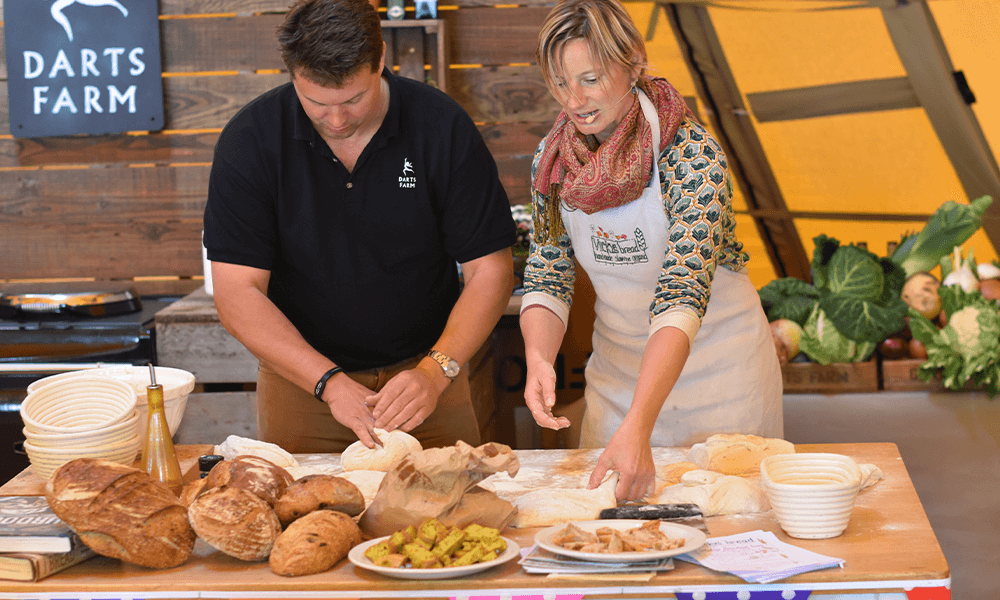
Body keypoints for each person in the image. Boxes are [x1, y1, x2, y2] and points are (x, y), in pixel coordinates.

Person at [203, 0, 515, 453]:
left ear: (380, 60)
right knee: (306, 517)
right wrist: (327, 382)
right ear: (292, 75)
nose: (336, 119)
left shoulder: (441, 125)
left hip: (427, 378)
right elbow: (237, 292)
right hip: (302, 384)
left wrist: (434, 371)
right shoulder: (250, 140)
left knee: (450, 516)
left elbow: (491, 270)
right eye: (315, 102)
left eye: (353, 99)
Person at [520, 0, 782, 501]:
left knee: (728, 527)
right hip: (618, 378)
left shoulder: (692, 155)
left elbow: (681, 292)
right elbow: (548, 271)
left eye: (590, 78)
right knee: (614, 536)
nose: (574, 100)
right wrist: (538, 358)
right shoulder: (552, 158)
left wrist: (640, 426)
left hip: (720, 378)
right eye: (559, 83)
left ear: (633, 61)